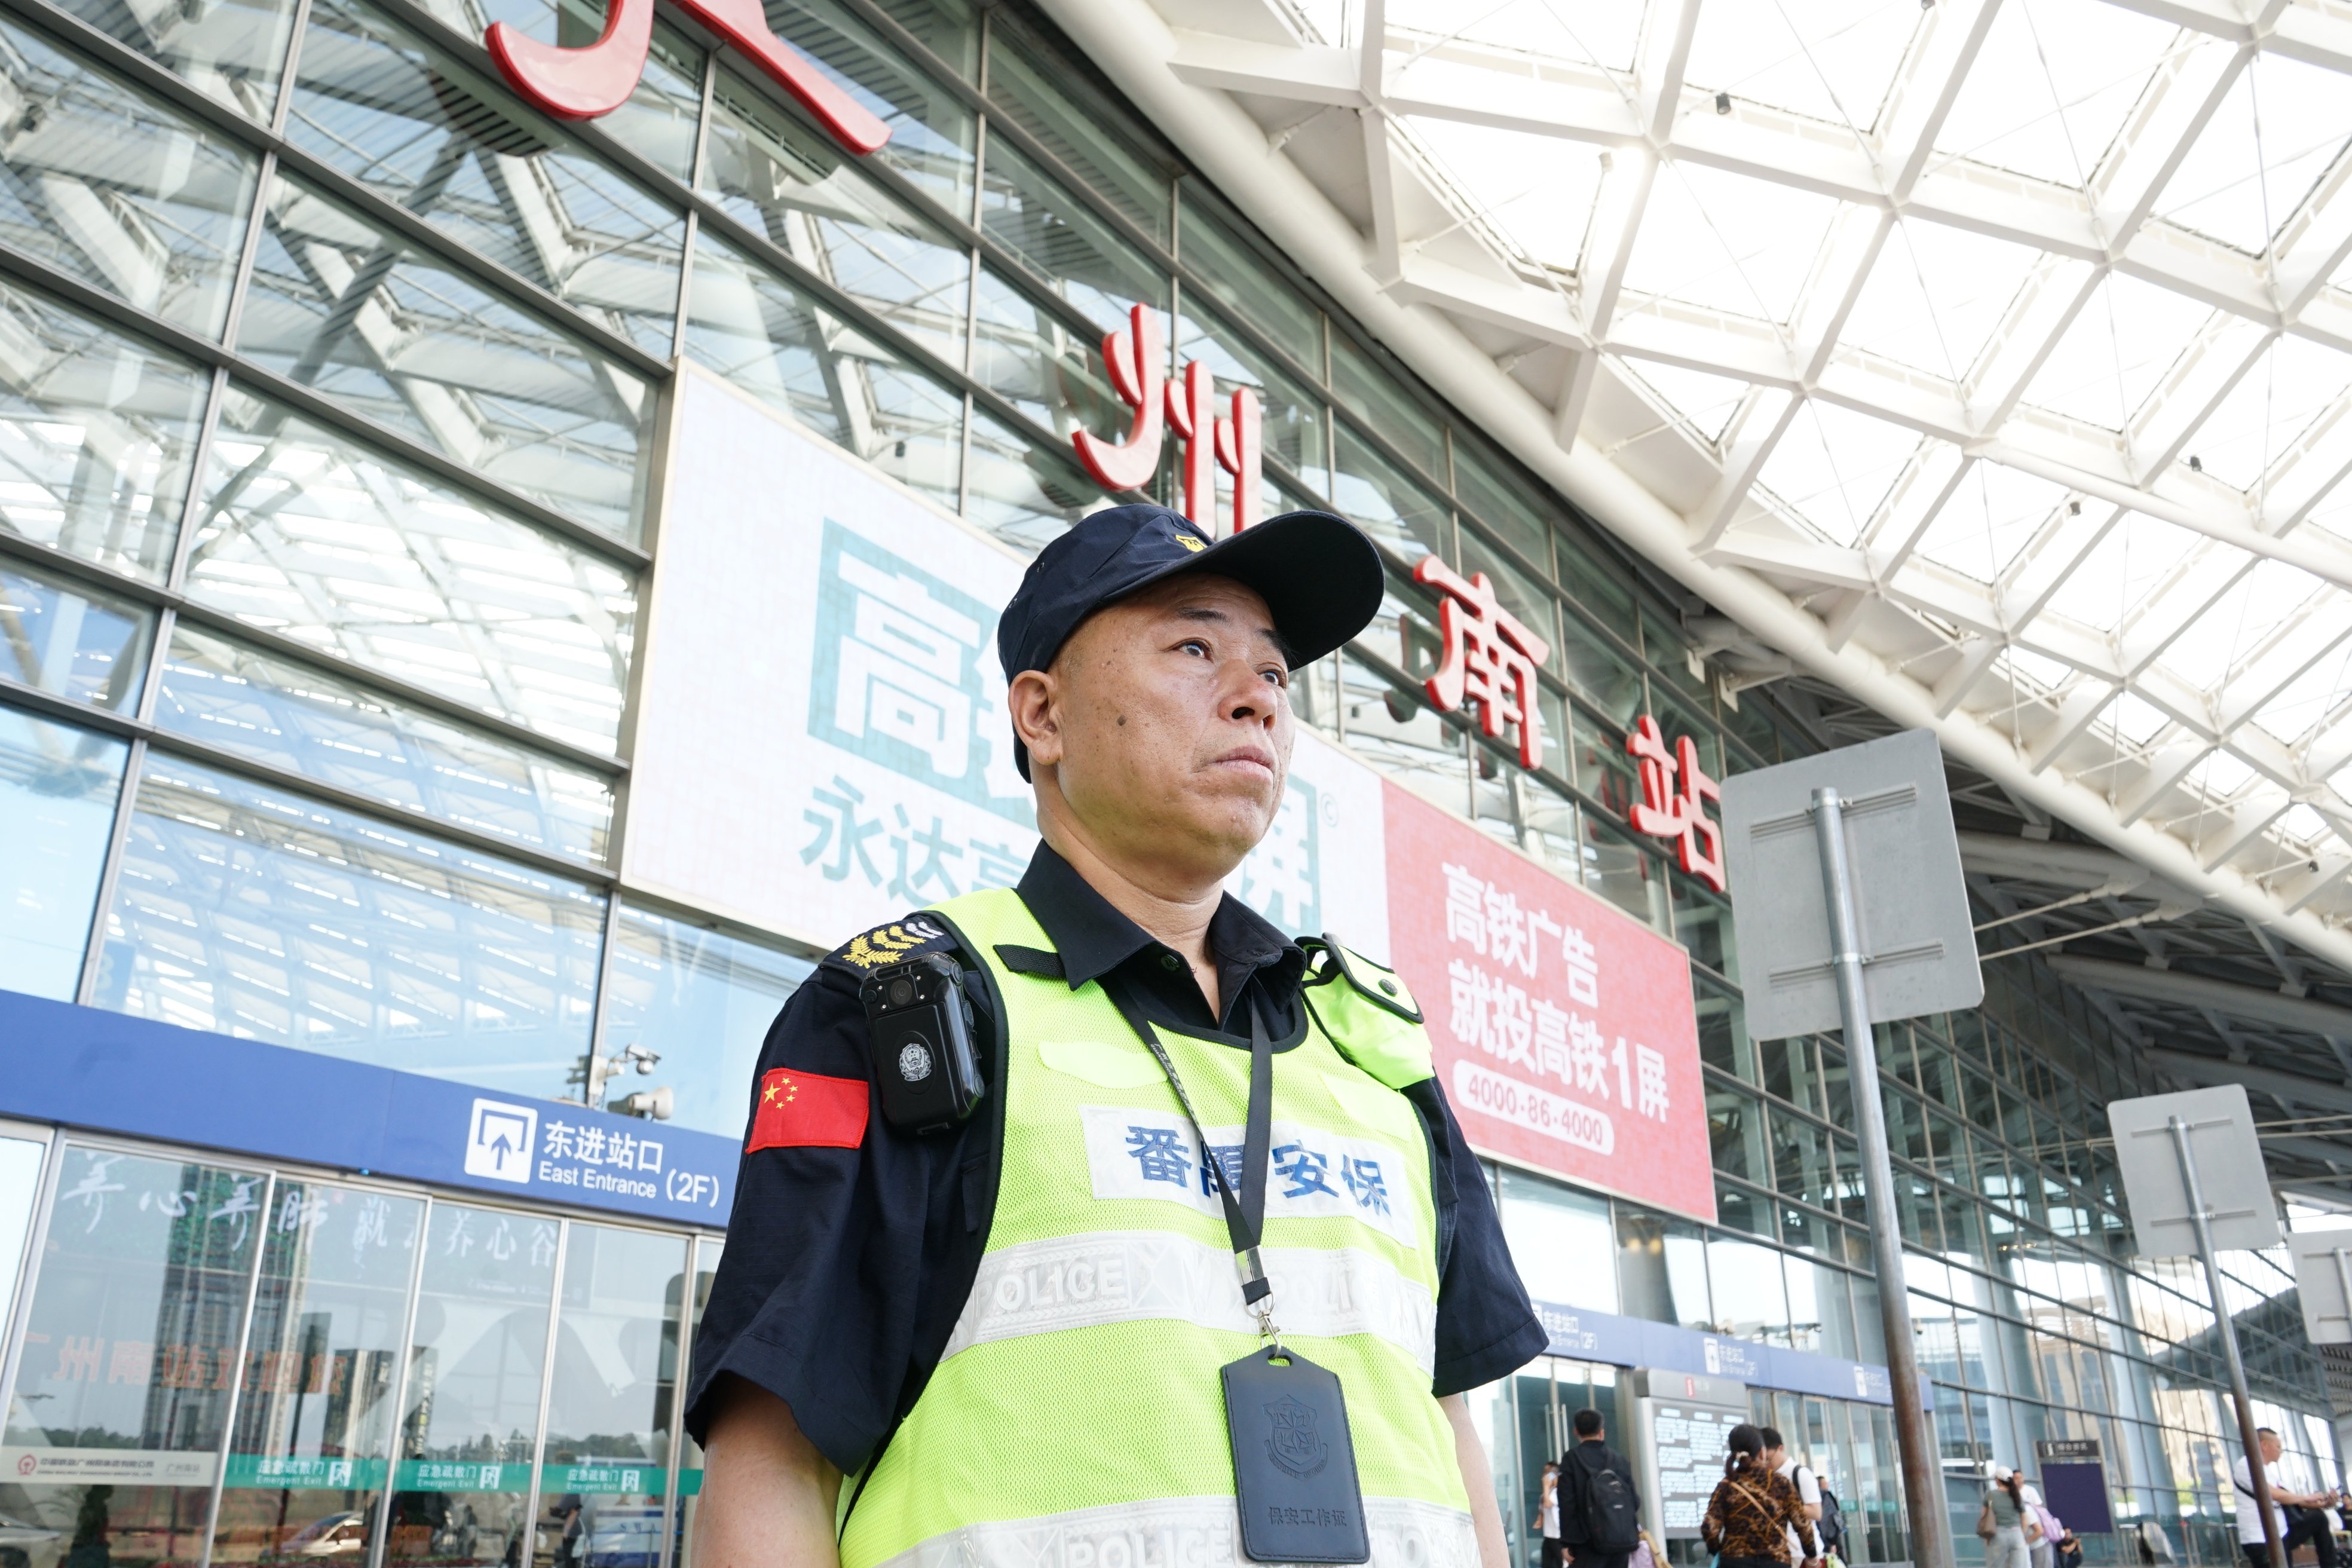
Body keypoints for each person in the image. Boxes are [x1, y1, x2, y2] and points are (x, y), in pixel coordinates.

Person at [681, 503, 1548, 1568]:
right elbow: (772, 1462)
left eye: (1274, 672)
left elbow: (1450, 1436)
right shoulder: (907, 1009)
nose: (1256, 697)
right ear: (1042, 714)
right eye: (1194, 649)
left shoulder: (1369, 1037)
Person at [2234, 1427, 2344, 1568]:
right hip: (2260, 1539)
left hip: (2281, 1535)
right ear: (2264, 1445)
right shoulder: (2247, 1464)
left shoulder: (2270, 1473)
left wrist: (2326, 1503)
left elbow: (2295, 1501)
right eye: (2278, 1446)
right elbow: (2272, 1494)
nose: (2281, 1451)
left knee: (2318, 1518)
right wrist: (2306, 1497)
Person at [1703, 1423, 1809, 1568]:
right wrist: (1812, 1555)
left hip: (1735, 1563)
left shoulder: (1726, 1486)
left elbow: (1709, 1527)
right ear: (1762, 1452)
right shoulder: (1781, 1483)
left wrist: (1719, 1550)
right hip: (1775, 1562)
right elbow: (1802, 1524)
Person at [1560, 1409, 1642, 1568]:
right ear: (1601, 1432)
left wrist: (1566, 1542)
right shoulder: (1619, 1460)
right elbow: (1635, 1501)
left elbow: (1567, 1503)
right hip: (1620, 1541)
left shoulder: (1571, 1459)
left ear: (1576, 1431)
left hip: (1586, 1543)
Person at [1759, 1427, 1823, 1568]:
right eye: (1763, 1461)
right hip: (1775, 1552)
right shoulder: (1764, 1478)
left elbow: (1816, 1512)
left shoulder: (1801, 1474)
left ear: (1781, 1449)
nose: (1766, 1465)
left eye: (1769, 1459)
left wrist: (1783, 1506)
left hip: (1802, 1553)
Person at [1979, 1467, 2042, 1568]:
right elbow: (2024, 1518)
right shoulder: (2017, 1495)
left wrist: (1987, 1537)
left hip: (1998, 1535)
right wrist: (2022, 1534)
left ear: (1998, 1480)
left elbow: (1984, 1516)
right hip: (2017, 1534)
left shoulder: (1991, 1495)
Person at [1536, 1460, 1563, 1568]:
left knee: (1562, 1563)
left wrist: (1546, 1486)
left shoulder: (1557, 1491)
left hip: (1558, 1536)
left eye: (1548, 1473)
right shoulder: (1547, 1493)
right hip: (1548, 1536)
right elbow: (1543, 1508)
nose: (1545, 1476)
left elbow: (1548, 1504)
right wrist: (1540, 1519)